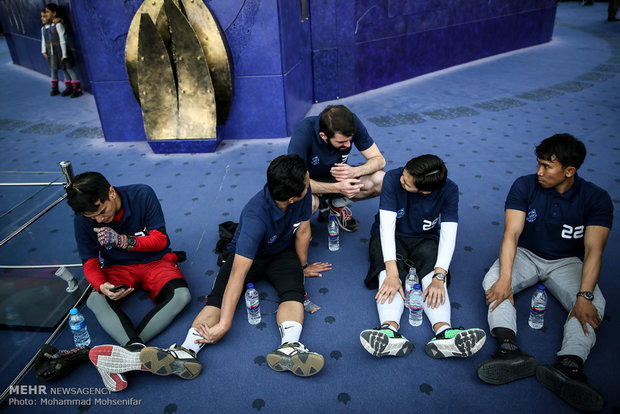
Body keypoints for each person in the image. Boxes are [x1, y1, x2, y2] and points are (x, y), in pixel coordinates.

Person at [88, 155, 331, 387]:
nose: (309, 179)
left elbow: (303, 232)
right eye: (306, 179)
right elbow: (238, 272)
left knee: (293, 291)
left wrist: (302, 267)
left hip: (281, 253)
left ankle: (290, 347)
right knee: (217, 299)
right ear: (291, 198)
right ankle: (185, 351)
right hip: (247, 256)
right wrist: (225, 323)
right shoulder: (255, 216)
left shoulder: (302, 191)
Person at [477, 134, 613, 412]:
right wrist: (505, 280)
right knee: (492, 281)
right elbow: (511, 235)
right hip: (526, 253)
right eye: (538, 164)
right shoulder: (525, 185)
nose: (538, 172)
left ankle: (570, 365)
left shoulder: (596, 198)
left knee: (594, 303)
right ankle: (508, 350)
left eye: (546, 167)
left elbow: (594, 252)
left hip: (566, 261)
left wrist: (584, 295)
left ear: (569, 171)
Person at [66, 172, 191, 391]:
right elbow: (90, 262)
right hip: (118, 267)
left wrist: (123, 241)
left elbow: (160, 239)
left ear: (111, 193)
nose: (99, 220)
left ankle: (130, 351)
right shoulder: (83, 219)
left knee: (182, 296)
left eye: (102, 211)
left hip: (155, 260)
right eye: (91, 216)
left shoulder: (142, 194)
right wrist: (101, 284)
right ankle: (136, 351)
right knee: (95, 299)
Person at [360, 154, 485, 359]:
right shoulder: (393, 178)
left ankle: (444, 332)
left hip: (426, 238)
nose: (402, 179)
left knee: (432, 276)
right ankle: (388, 330)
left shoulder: (449, 190)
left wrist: (440, 275)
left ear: (425, 190)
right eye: (404, 175)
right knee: (389, 275)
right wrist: (392, 272)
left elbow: (448, 234)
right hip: (392, 236)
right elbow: (386, 227)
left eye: (407, 183)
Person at [288, 105, 385, 232]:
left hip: (340, 179)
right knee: (310, 204)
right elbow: (297, 181)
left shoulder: (351, 123)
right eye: (341, 142)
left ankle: (337, 204)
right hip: (310, 184)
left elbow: (379, 160)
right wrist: (337, 188)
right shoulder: (303, 132)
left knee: (381, 180)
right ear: (323, 136)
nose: (348, 145)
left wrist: (356, 171)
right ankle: (298, 230)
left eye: (350, 140)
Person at [41, 3, 82, 97]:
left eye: (47, 12)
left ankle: (78, 89)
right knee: (64, 70)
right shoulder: (50, 26)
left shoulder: (58, 24)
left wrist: (64, 54)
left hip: (62, 51)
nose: (46, 14)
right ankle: (69, 87)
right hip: (55, 52)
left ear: (54, 13)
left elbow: (62, 40)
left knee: (69, 69)